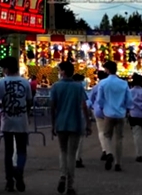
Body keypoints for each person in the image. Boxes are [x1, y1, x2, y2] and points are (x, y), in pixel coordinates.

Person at [51, 61, 92, 195]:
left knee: (62, 151)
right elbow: (84, 106)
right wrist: (88, 123)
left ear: (63, 72)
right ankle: (70, 185)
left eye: (60, 70)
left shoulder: (56, 86)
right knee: (72, 154)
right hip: (75, 123)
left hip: (61, 123)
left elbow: (53, 107)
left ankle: (62, 175)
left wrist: (53, 124)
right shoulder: (78, 87)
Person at [0, 56, 32, 192]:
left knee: (8, 152)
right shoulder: (25, 82)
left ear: (6, 68)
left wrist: (2, 108)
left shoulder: (1, 82)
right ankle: (19, 172)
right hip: (22, 121)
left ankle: (9, 181)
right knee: (22, 151)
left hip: (7, 121)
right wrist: (26, 113)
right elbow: (29, 101)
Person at [93, 61, 129, 172]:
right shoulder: (123, 83)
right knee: (119, 139)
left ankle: (109, 153)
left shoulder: (103, 83)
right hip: (121, 113)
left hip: (108, 113)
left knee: (106, 135)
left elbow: (99, 99)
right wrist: (126, 109)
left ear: (107, 70)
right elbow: (129, 100)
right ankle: (118, 163)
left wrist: (103, 107)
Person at [89, 70, 109, 163]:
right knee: (109, 132)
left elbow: (90, 99)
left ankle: (105, 149)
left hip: (98, 111)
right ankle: (109, 150)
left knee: (101, 131)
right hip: (110, 111)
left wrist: (92, 107)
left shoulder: (96, 87)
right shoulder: (110, 87)